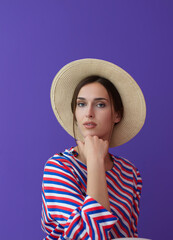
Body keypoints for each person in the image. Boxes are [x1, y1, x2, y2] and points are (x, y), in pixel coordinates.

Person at [41, 58, 146, 240]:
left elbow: (128, 236)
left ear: (117, 114)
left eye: (100, 104)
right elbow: (91, 237)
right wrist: (96, 161)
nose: (89, 112)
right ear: (74, 111)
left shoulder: (130, 173)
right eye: (81, 104)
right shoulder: (59, 168)